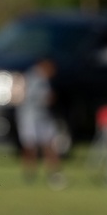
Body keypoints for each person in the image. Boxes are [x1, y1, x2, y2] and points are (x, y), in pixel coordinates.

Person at [17, 58, 64, 189]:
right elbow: (28, 96)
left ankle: (54, 174)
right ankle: (30, 174)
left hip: (43, 116)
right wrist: (46, 98)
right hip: (30, 116)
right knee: (30, 146)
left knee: (49, 144)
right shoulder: (33, 76)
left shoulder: (44, 79)